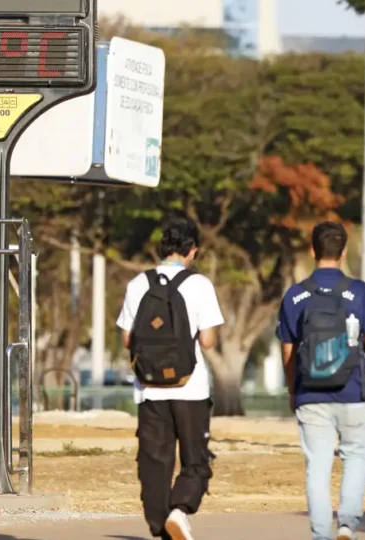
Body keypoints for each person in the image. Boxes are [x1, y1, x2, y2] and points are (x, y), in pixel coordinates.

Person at [116, 214, 225, 540]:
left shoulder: (138, 284)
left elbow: (126, 340)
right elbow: (206, 341)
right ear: (192, 250)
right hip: (190, 388)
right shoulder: (200, 284)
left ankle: (161, 526)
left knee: (154, 464)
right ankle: (180, 511)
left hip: (149, 389)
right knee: (196, 461)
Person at [277, 221, 365, 540]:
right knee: (355, 456)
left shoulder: (295, 296)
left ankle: (321, 534)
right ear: (344, 251)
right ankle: (348, 524)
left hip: (310, 392)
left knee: (318, 466)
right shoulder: (360, 291)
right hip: (353, 391)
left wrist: (292, 388)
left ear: (312, 250)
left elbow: (288, 348)